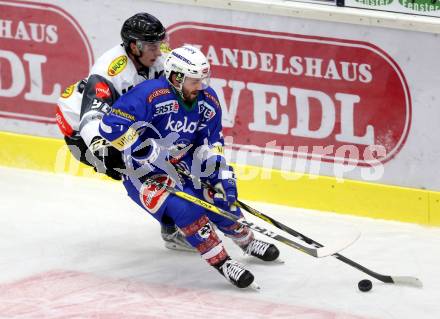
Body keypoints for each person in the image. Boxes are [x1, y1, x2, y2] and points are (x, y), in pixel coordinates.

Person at [98, 45, 280, 289]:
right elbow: (110, 126)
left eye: (203, 79)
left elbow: (210, 143)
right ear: (176, 77)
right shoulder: (150, 94)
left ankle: (247, 241)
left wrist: (220, 175)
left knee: (219, 198)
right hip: (143, 174)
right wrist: (141, 149)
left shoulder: (207, 101)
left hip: (182, 164)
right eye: (195, 80)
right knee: (187, 211)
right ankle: (223, 262)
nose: (201, 85)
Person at [55, 12, 194, 252]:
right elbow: (91, 118)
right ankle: (171, 229)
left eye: (159, 43)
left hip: (120, 122)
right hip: (83, 134)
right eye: (151, 46)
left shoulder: (159, 60)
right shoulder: (110, 70)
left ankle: (177, 219)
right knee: (142, 174)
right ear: (134, 46)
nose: (158, 51)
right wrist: (105, 152)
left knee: (157, 162)